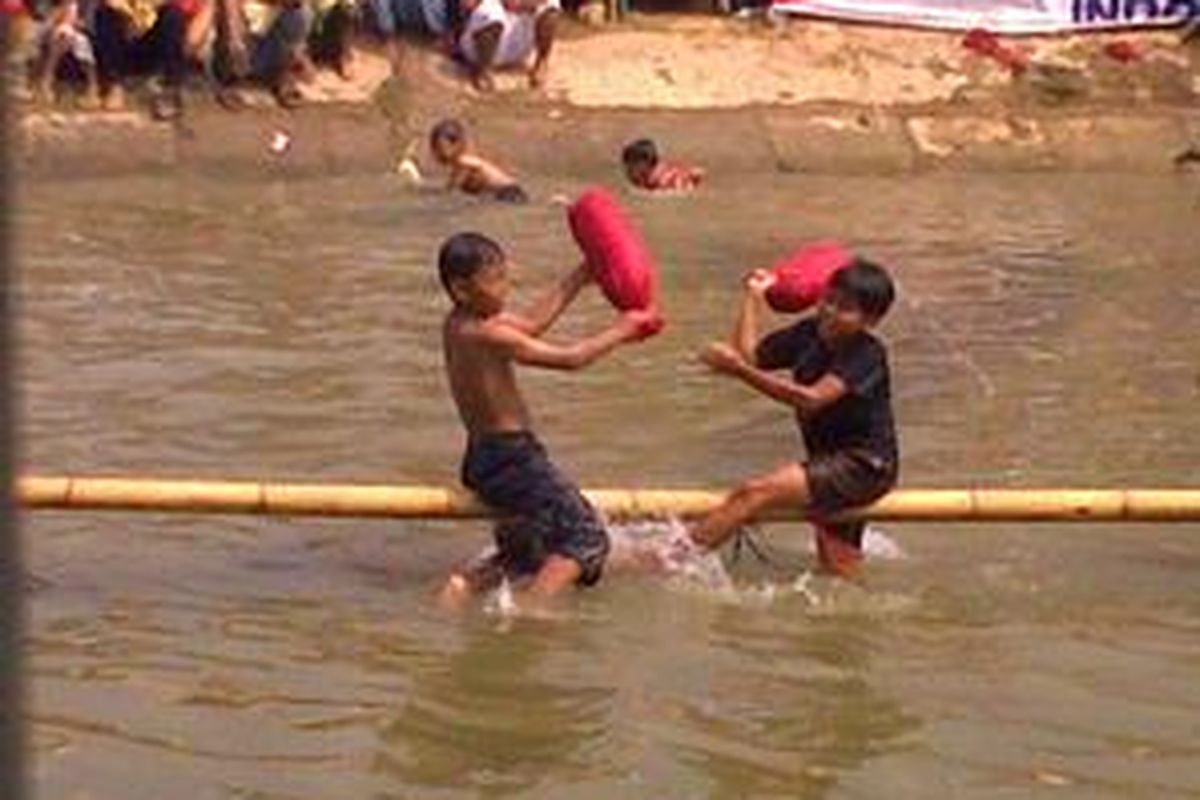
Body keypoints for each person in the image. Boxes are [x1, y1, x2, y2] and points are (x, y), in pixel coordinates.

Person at [435, 232, 659, 609]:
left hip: (485, 458)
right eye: (496, 281)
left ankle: (461, 589)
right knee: (586, 538)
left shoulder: (460, 323)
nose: (506, 288)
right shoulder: (486, 333)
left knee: (524, 557)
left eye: (506, 277)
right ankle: (530, 611)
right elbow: (570, 358)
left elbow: (532, 324)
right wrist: (621, 330)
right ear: (461, 289)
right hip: (514, 460)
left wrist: (580, 275)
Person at [679, 258, 899, 580]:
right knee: (839, 570)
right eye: (828, 299)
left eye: (844, 308)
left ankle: (674, 559)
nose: (829, 312)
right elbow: (750, 355)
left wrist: (738, 372)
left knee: (754, 492)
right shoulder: (809, 333)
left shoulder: (867, 353)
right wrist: (753, 298)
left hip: (864, 466)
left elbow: (812, 400)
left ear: (871, 320)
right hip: (827, 460)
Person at [456, 0, 558, 91]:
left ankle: (541, 63)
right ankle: (483, 70)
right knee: (489, 14)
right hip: (484, 39)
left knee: (551, 6)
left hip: (519, 33)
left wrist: (523, 3)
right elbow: (466, 3)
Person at [429, 117, 528, 203]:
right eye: (434, 148)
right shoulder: (461, 164)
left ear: (456, 145)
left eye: (440, 148)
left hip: (509, 193)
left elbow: (450, 191)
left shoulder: (464, 163)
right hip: (507, 192)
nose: (436, 153)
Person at [621, 138, 704, 193]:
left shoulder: (666, 179)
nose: (628, 170)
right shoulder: (640, 178)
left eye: (631, 166)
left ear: (643, 165)